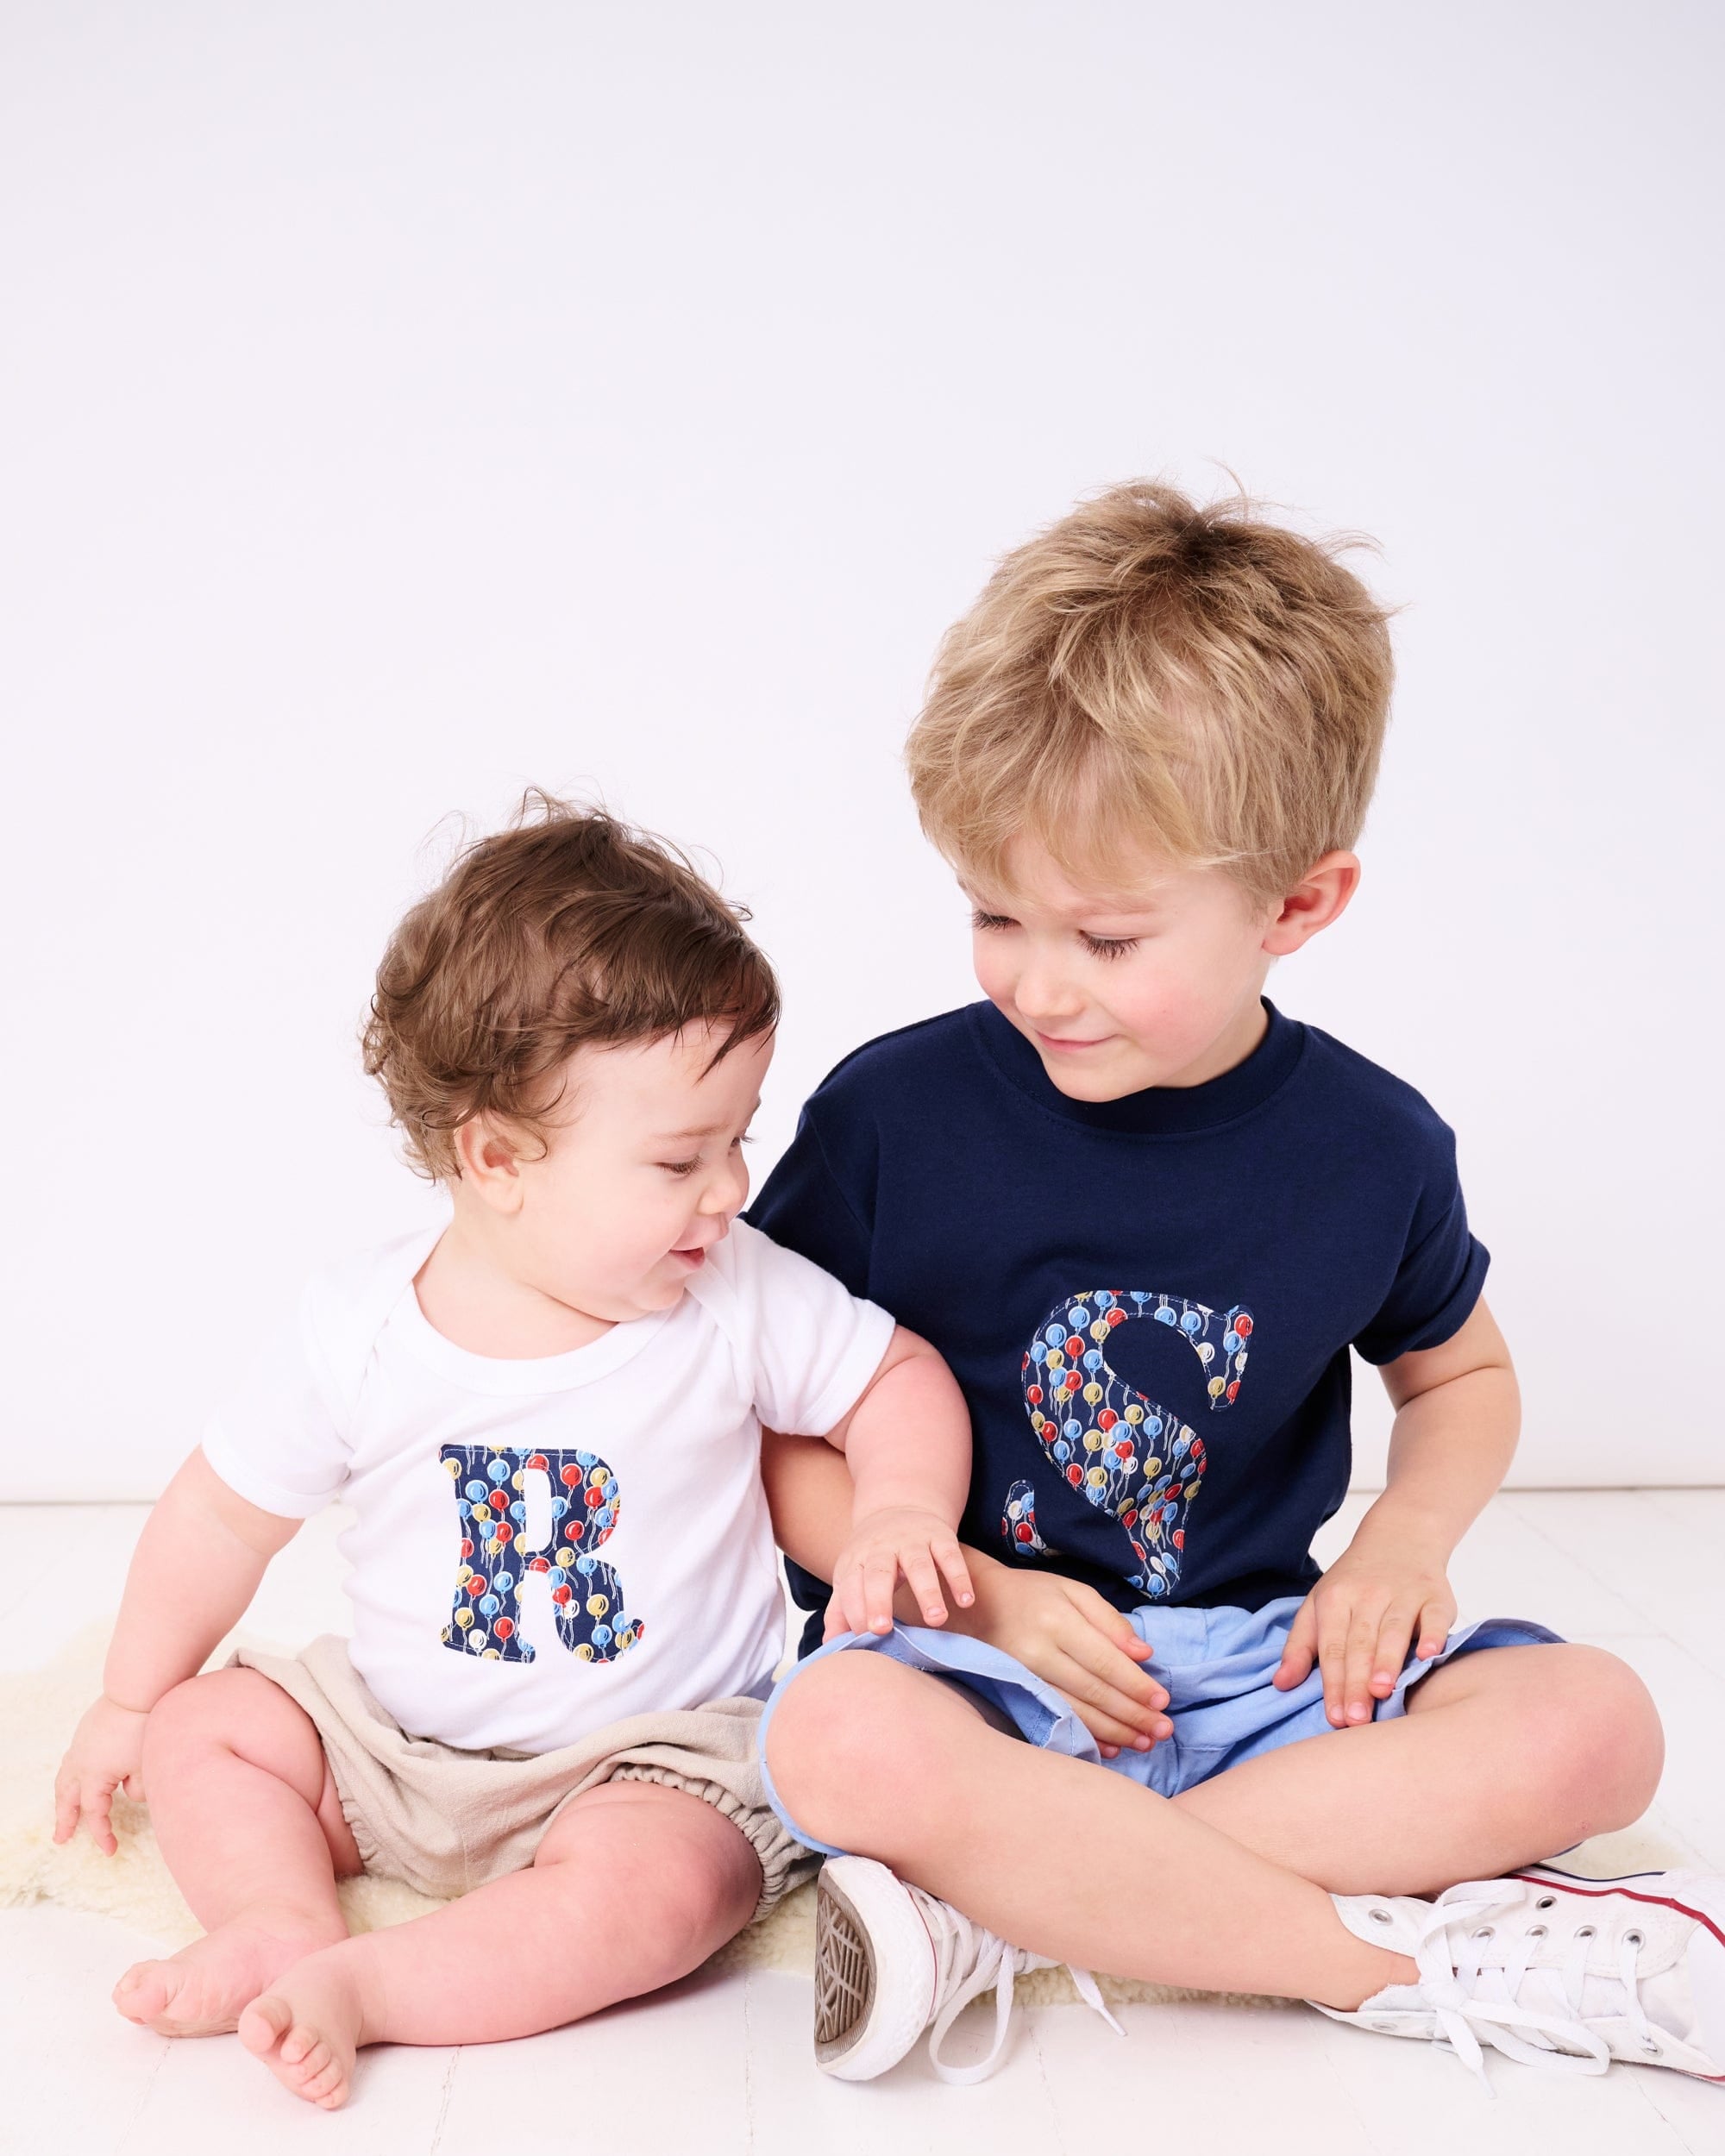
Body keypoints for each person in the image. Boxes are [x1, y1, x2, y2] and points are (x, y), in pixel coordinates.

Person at [752, 482, 1725, 2089]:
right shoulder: (888, 1117)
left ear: (1298, 903)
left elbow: (1462, 1379)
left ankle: (1025, 1907)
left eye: (1107, 937)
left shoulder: (1371, 1146)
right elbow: (769, 1425)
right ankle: (1370, 1959)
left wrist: (1401, 1549)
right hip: (978, 1667)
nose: (1036, 981)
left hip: (1257, 1671)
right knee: (835, 1737)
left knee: (1601, 1721)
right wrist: (959, 1585)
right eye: (995, 913)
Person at [52, 798, 975, 2110]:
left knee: (667, 1895)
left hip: (650, 1760)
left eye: (738, 1139)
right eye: (678, 1159)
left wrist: (897, 1504)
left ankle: (378, 1988)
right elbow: (218, 1516)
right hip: (395, 1744)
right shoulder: (360, 1333)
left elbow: (896, 1376)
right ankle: (274, 1921)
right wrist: (135, 1699)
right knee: (215, 1731)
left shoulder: (736, 1293)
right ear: (498, 1158)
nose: (729, 1188)